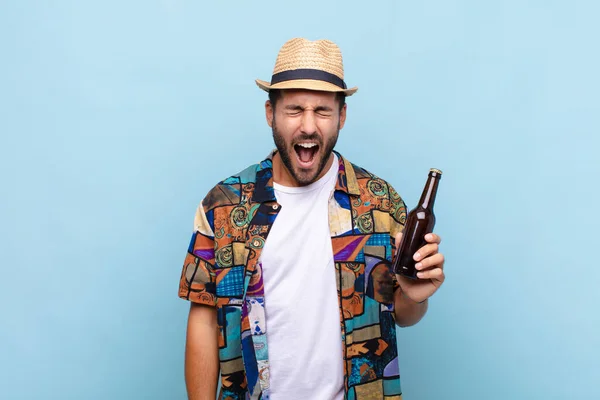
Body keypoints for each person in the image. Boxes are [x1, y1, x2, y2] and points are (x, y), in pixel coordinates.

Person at [178, 37, 446, 400]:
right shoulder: (222, 207)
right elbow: (204, 321)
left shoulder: (381, 206)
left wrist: (415, 296)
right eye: (294, 110)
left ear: (342, 116)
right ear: (270, 113)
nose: (308, 126)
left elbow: (402, 314)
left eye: (322, 110)